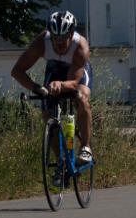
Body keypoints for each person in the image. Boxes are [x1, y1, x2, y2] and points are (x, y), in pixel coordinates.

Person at [11, 10, 94, 183]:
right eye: (56, 38)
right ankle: (61, 163)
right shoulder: (41, 42)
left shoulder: (80, 46)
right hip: (55, 68)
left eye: (64, 37)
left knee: (81, 98)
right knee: (47, 113)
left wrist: (62, 85)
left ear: (71, 34)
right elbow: (17, 71)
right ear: (50, 35)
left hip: (76, 71)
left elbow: (74, 81)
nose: (60, 42)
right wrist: (36, 88)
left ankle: (86, 147)